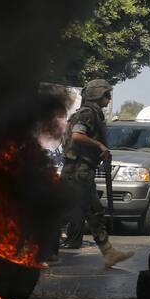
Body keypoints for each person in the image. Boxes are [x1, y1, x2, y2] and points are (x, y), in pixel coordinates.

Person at [58, 79, 133, 268]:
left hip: (82, 171)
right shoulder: (88, 113)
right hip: (77, 172)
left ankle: (108, 253)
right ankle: (37, 250)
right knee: (74, 212)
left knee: (88, 211)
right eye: (106, 95)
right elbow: (77, 135)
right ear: (97, 95)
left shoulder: (93, 114)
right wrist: (99, 145)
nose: (109, 99)